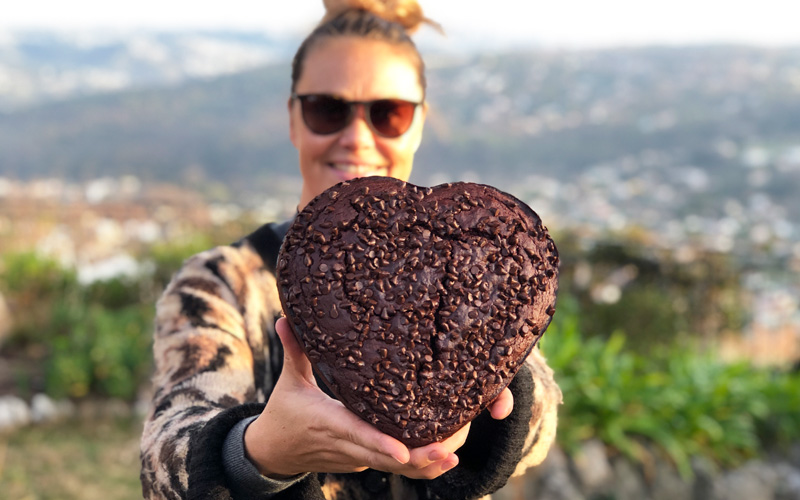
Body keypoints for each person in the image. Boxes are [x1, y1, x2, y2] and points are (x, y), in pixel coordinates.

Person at [139, 1, 562, 499]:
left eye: (389, 113)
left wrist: (474, 409)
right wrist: (262, 451)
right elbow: (165, 453)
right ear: (293, 118)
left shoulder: (470, 262)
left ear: (420, 124)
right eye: (327, 109)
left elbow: (542, 415)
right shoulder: (221, 284)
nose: (357, 137)